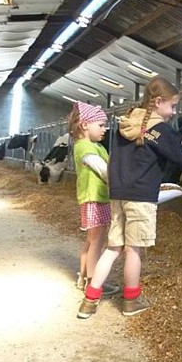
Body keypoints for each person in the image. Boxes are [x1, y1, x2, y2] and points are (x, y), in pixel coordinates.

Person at [77, 76, 182, 319]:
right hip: (141, 198)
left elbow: (114, 161)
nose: (173, 112)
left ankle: (90, 299)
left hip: (118, 195)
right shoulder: (160, 131)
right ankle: (131, 299)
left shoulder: (123, 126)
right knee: (134, 250)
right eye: (172, 106)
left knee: (113, 248)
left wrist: (116, 188)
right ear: (158, 102)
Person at [68, 102, 119, 296]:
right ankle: (93, 281)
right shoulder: (85, 147)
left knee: (91, 241)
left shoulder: (94, 145)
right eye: (100, 125)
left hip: (97, 197)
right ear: (84, 125)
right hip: (94, 198)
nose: (104, 129)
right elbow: (104, 171)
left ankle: (83, 278)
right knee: (97, 241)